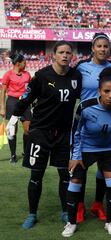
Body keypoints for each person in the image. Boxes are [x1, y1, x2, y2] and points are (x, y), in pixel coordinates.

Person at [6, 41, 82, 229]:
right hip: (40, 132)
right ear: (53, 55)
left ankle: (65, 212)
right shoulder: (41, 76)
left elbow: (84, 99)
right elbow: (26, 99)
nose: (65, 55)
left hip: (64, 134)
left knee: (65, 175)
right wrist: (13, 118)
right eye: (61, 52)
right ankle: (32, 214)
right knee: (36, 175)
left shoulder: (76, 76)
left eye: (68, 52)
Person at [61, 67, 111, 237]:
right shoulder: (85, 106)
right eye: (106, 91)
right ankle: (71, 222)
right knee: (75, 182)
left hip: (109, 149)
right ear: (99, 91)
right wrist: (75, 156)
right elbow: (74, 131)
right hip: (86, 148)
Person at [75, 32, 111, 223]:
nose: (103, 49)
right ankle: (79, 206)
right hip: (86, 125)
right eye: (99, 46)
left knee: (104, 169)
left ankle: (98, 204)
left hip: (108, 125)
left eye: (106, 46)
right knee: (81, 168)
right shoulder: (82, 67)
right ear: (92, 48)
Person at [1, 53, 31, 163]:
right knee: (12, 131)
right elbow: (3, 92)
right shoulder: (8, 74)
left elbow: (30, 90)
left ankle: (26, 152)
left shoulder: (27, 74)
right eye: (24, 62)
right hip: (12, 102)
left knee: (28, 130)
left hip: (25, 103)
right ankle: (13, 155)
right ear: (18, 63)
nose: (26, 64)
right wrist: (2, 108)